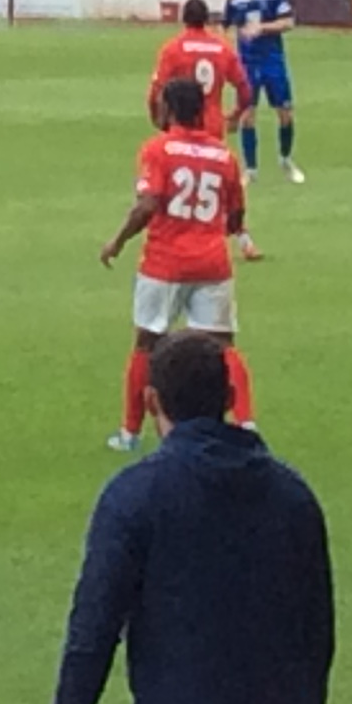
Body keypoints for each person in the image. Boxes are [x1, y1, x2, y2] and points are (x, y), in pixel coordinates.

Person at [52, 332, 335, 704]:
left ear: (151, 400)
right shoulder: (294, 497)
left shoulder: (134, 497)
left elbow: (93, 632)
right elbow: (316, 635)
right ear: (231, 397)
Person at [102, 77, 257, 453]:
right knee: (223, 345)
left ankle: (130, 432)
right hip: (211, 263)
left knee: (147, 343)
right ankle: (247, 424)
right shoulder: (224, 155)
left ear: (169, 109)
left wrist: (118, 241)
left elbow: (149, 203)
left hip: (165, 264)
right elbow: (236, 215)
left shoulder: (158, 150)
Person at [147, 0, 260, 260]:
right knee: (223, 182)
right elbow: (244, 87)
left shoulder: (173, 49)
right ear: (206, 20)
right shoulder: (221, 48)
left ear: (184, 20)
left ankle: (178, 236)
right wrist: (236, 113)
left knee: (175, 180)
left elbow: (155, 91)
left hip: (181, 125)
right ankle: (244, 240)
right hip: (212, 125)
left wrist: (157, 118)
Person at [223, 0, 304, 184]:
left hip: (272, 61)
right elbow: (225, 27)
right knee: (247, 115)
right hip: (247, 63)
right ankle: (251, 169)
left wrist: (263, 28)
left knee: (285, 113)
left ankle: (286, 159)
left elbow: (288, 22)